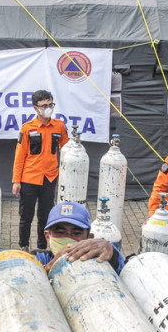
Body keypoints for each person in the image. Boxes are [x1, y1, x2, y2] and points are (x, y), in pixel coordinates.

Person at [12, 89, 68, 252]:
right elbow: (19, 156)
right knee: (26, 216)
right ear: (36, 108)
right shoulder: (27, 128)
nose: (48, 108)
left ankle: (42, 247)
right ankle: (23, 246)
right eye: (44, 105)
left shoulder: (59, 126)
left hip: (50, 178)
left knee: (45, 216)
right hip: (29, 178)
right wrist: (16, 181)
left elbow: (67, 150)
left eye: (50, 104)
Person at [32, 201, 123, 274]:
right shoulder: (38, 258)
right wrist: (46, 271)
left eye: (76, 233)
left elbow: (121, 267)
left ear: (89, 238)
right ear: (48, 236)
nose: (68, 239)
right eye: (61, 232)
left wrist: (111, 251)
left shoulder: (99, 259)